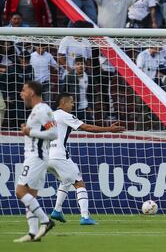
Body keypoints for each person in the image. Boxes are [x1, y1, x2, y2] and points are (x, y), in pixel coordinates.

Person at [49, 93, 125, 225]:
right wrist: (109, 129)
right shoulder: (64, 115)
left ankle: (57, 210)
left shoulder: (49, 116)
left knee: (66, 181)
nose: (73, 105)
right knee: (79, 183)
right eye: (71, 102)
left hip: (47, 157)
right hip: (59, 155)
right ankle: (85, 217)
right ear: (63, 103)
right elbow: (86, 127)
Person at [14, 81, 57, 243]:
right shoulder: (36, 111)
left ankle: (46, 221)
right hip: (36, 156)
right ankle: (32, 233)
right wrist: (29, 130)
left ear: (32, 92)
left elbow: (54, 133)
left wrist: (30, 131)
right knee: (31, 195)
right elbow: (41, 132)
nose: (21, 93)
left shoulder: (42, 110)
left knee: (20, 192)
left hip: (36, 157)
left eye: (24, 90)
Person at [63, 57, 93, 123]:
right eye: (78, 64)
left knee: (91, 125)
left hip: (85, 107)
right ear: (74, 66)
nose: (80, 66)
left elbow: (91, 93)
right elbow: (63, 92)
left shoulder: (89, 77)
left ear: (85, 65)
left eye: (82, 64)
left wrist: (90, 105)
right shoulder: (69, 76)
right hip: (73, 108)